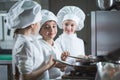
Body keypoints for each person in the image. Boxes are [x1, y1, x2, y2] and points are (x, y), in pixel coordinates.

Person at [6, 0, 56, 80]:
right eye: (39, 23)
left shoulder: (28, 39)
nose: (39, 26)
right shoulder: (25, 43)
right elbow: (26, 77)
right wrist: (48, 65)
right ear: (33, 24)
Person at [38, 9, 69, 79]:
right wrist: (55, 65)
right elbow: (37, 69)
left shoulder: (56, 45)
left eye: (54, 26)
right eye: (47, 27)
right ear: (39, 31)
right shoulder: (38, 46)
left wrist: (63, 62)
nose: (51, 30)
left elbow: (61, 70)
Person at [55, 6, 86, 74]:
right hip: (63, 75)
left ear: (76, 26)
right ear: (62, 24)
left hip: (78, 74)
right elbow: (58, 62)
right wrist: (76, 59)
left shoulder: (80, 42)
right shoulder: (58, 41)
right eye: (66, 24)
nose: (69, 28)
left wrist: (85, 59)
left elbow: (82, 60)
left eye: (72, 25)